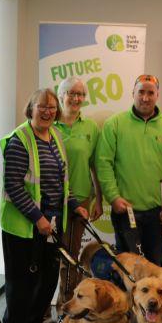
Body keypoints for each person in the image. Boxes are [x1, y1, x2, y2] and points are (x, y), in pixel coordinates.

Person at [0, 88, 88, 323]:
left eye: (52, 107)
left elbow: (61, 182)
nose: (48, 111)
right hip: (24, 226)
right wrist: (37, 218)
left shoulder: (55, 136)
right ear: (31, 108)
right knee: (21, 281)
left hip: (52, 223)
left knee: (47, 277)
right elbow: (14, 186)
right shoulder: (20, 140)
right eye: (42, 106)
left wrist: (74, 205)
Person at [95, 74, 162, 266]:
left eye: (150, 93)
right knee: (128, 271)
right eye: (141, 92)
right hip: (126, 211)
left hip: (159, 214)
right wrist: (113, 197)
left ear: (157, 95)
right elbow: (103, 163)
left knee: (156, 270)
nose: (145, 97)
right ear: (132, 93)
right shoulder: (114, 124)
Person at [53, 77, 102, 309]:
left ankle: (65, 305)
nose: (76, 98)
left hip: (80, 199)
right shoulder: (49, 123)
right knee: (48, 256)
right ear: (60, 95)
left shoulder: (91, 127)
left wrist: (99, 199)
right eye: (71, 93)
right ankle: (41, 309)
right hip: (51, 200)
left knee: (70, 256)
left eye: (80, 94)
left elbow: (95, 166)